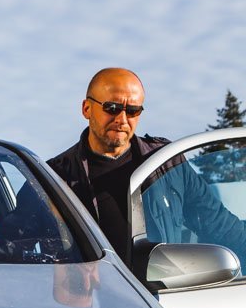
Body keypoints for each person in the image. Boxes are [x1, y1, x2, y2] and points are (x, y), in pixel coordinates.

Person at [48, 67, 246, 266]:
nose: (122, 120)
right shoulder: (54, 176)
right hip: (93, 294)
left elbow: (219, 225)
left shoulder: (167, 163)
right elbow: (21, 240)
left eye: (133, 111)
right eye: (112, 108)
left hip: (158, 295)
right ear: (87, 109)